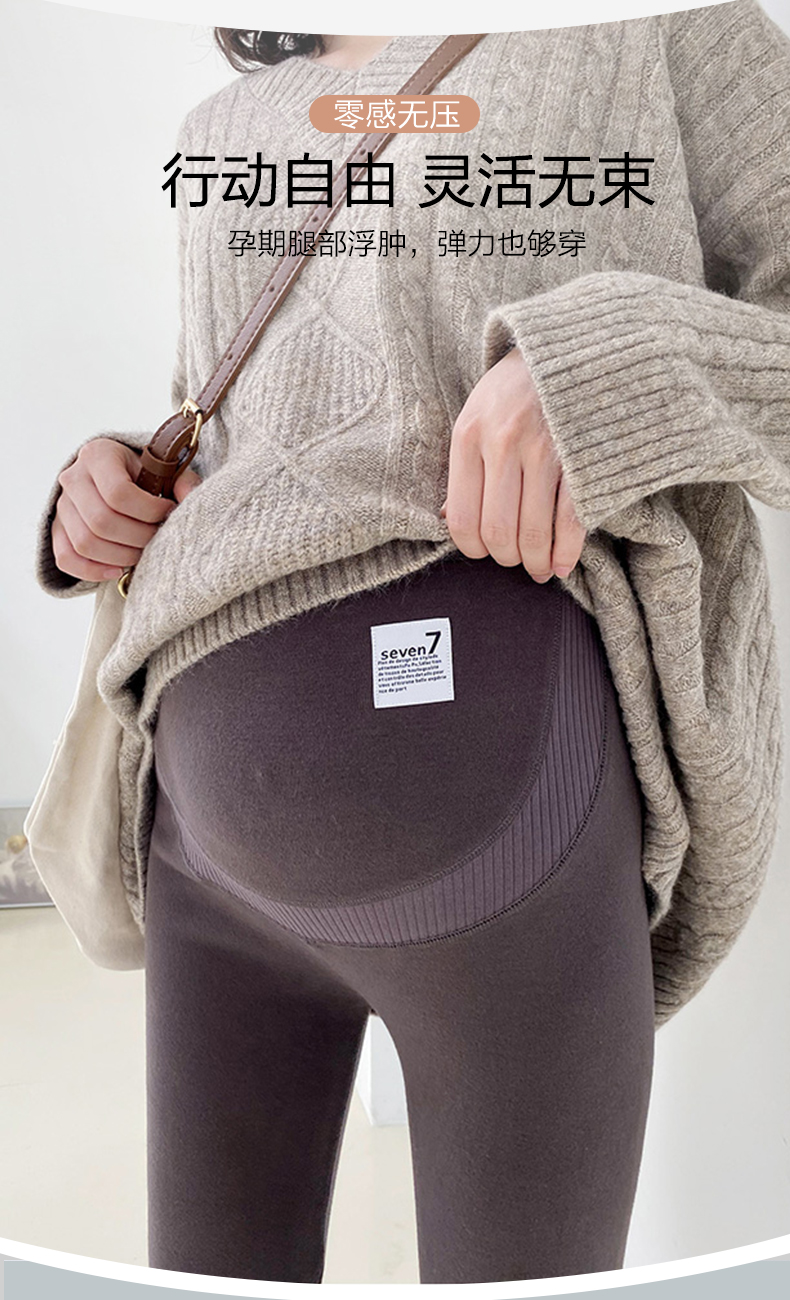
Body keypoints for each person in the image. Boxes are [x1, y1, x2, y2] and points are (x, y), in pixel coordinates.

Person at [33, 4, 790, 1284]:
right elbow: (254, 423)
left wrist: (606, 376)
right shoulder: (222, 126)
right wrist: (104, 486)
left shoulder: (659, 31)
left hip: (496, 810)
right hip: (198, 838)